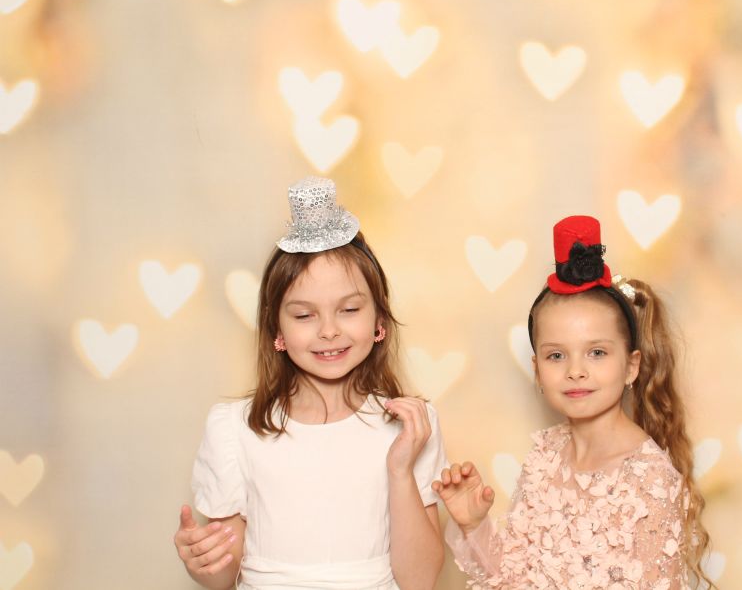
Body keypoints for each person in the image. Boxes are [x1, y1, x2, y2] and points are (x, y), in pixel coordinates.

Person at [173, 176, 446, 590]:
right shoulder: (234, 428)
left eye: (349, 309)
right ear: (276, 330)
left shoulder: (412, 424)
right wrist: (204, 562)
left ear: (379, 319)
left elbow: (420, 581)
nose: (329, 331)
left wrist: (400, 468)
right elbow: (224, 575)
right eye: (304, 315)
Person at [433, 215, 713, 589]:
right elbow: (512, 578)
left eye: (596, 352)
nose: (576, 371)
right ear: (537, 370)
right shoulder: (546, 455)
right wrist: (474, 525)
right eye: (556, 356)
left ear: (631, 366)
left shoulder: (649, 481)